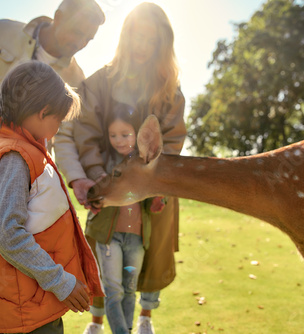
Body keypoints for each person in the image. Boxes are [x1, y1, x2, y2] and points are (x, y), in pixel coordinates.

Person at [72, 3, 187, 333]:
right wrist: (99, 178)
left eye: (151, 40)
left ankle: (146, 319)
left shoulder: (170, 90)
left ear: (162, 45)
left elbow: (174, 139)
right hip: (111, 185)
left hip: (156, 189)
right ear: (125, 37)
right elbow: (86, 133)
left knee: (153, 255)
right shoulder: (99, 82)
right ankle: (96, 323)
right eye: (137, 37)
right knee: (103, 256)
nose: (142, 46)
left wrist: (155, 183)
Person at [0, 61, 104, 334]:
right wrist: (61, 282)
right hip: (25, 313)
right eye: (59, 121)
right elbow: (8, 235)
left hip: (34, 303)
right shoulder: (14, 157)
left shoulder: (27, 150)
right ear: (43, 113)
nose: (58, 129)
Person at [0, 0, 105, 200]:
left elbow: (63, 136)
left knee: (10, 229)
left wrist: (76, 179)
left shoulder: (75, 78)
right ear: (58, 18)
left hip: (25, 169)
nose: (80, 43)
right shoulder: (2, 31)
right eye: (77, 32)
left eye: (88, 39)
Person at [83, 104, 166, 334]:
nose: (119, 140)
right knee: (114, 290)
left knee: (129, 290)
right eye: (113, 135)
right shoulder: (102, 163)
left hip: (136, 238)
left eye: (125, 134)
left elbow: (150, 200)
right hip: (109, 238)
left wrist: (158, 201)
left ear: (138, 134)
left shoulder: (145, 162)